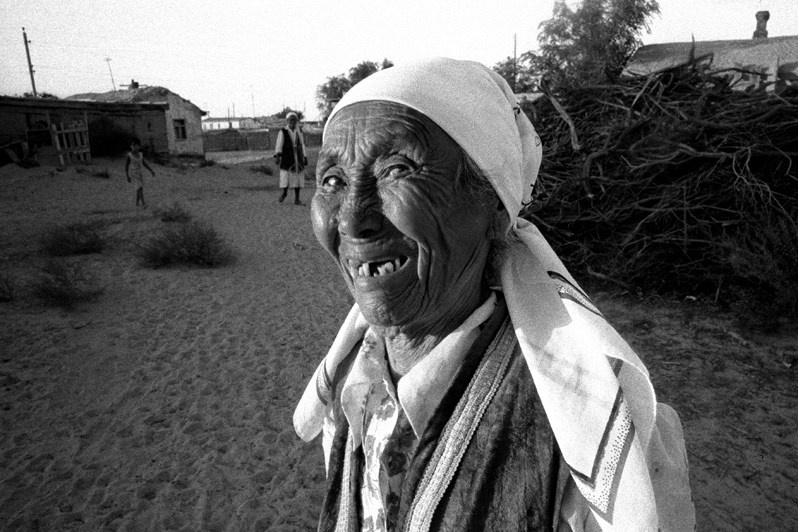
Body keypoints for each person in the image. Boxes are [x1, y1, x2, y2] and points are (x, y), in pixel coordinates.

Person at [294, 58, 695, 531]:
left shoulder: (589, 434)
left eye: (397, 169)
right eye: (332, 181)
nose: (350, 219)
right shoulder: (351, 382)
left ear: (491, 205)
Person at [274, 111, 308, 205]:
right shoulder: (283, 132)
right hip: (287, 157)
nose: (292, 121)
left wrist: (305, 156)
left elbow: (302, 144)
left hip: (298, 158)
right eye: (290, 120)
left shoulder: (299, 131)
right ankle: (284, 193)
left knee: (298, 177)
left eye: (294, 120)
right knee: (285, 176)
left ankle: (297, 199)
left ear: (296, 121)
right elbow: (279, 144)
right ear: (287, 121)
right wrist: (278, 156)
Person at [125, 138, 155, 207]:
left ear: (139, 146)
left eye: (137, 145)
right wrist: (127, 176)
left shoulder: (141, 154)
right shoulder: (129, 155)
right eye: (133, 145)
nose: (135, 147)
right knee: (139, 188)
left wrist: (151, 170)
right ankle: (143, 203)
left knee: (139, 188)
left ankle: (137, 203)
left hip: (140, 173)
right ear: (131, 146)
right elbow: (126, 166)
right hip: (134, 174)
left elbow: (144, 163)